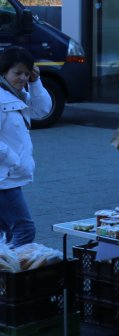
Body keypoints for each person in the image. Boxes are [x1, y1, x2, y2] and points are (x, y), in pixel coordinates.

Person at [0, 46, 52, 246]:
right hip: (4, 178)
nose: (22, 78)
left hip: (8, 176)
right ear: (4, 71)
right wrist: (12, 160)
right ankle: (15, 270)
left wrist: (36, 81)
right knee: (24, 230)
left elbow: (42, 110)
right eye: (17, 72)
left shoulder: (18, 96)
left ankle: (7, 270)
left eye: (26, 73)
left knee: (7, 232)